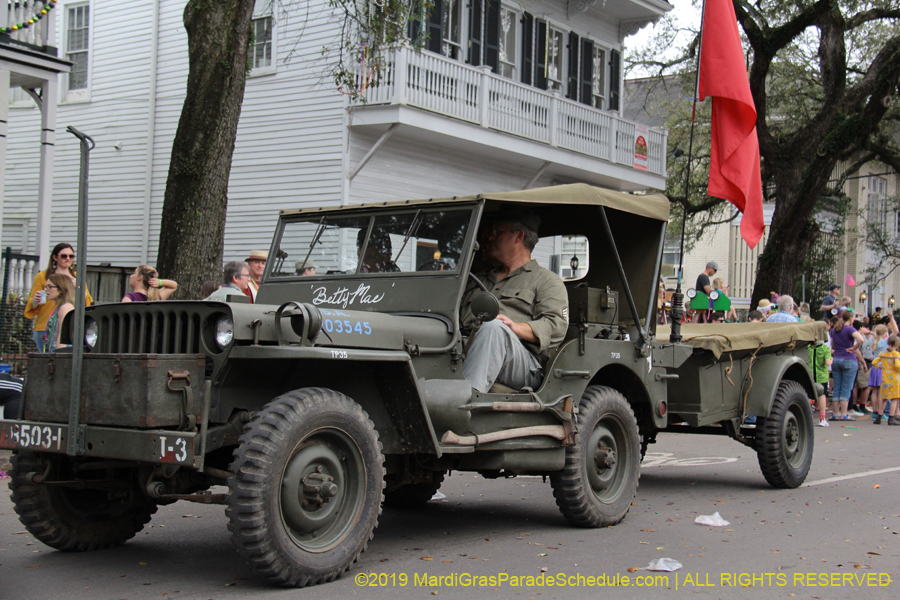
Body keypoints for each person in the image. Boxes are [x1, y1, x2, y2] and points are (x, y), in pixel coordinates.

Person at [461, 211, 568, 393]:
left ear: (519, 236)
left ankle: (465, 402)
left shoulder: (546, 281)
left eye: (497, 232)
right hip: (467, 347)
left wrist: (514, 326)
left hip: (522, 363)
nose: (490, 238)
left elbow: (555, 326)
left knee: (493, 327)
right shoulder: (478, 280)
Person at [25, 243, 94, 352]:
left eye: (71, 256)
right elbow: (32, 304)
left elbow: (88, 303)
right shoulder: (43, 276)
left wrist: (79, 290)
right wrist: (35, 301)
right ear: (55, 257)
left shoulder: (77, 277)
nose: (68, 259)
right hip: (45, 327)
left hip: (69, 327)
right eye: (64, 256)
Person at [829, 310, 865, 421]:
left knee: (837, 387)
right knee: (846, 388)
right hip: (848, 359)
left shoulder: (835, 330)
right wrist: (854, 348)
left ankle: (835, 413)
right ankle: (844, 414)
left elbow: (833, 345)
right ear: (851, 319)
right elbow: (861, 339)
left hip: (836, 359)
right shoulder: (850, 329)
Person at [871, 335, 900, 425]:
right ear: (897, 344)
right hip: (894, 379)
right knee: (895, 399)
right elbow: (897, 366)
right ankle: (891, 418)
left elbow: (874, 362)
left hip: (885, 378)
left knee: (884, 398)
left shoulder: (883, 353)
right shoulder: (896, 354)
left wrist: (881, 367)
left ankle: (879, 417)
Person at [44, 274, 76, 351]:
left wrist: (58, 357)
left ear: (60, 289)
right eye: (45, 286)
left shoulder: (66, 307)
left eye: (50, 286)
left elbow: (62, 336)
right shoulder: (59, 307)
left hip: (58, 353)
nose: (46, 290)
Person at [809, 335, 833, 427]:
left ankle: (807, 418)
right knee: (822, 395)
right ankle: (822, 418)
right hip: (821, 376)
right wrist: (831, 359)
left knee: (808, 395)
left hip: (810, 374)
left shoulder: (809, 348)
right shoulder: (825, 349)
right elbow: (828, 362)